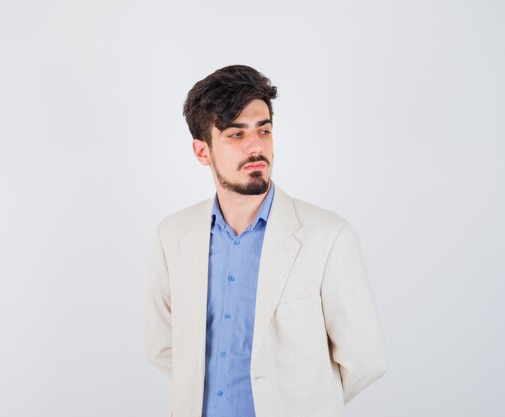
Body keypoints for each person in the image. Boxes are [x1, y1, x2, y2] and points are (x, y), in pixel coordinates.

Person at [145, 65, 388, 417]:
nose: (257, 146)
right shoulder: (172, 236)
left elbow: (366, 358)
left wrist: (298, 400)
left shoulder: (328, 236)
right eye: (236, 134)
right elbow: (162, 347)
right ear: (202, 152)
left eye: (264, 130)